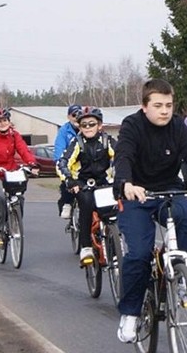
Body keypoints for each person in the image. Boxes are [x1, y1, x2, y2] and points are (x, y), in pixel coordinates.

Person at [113, 78, 187, 344]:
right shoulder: (132, 126)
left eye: (168, 105)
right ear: (144, 106)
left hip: (169, 189)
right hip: (136, 193)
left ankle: (185, 283)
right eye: (158, 105)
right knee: (138, 253)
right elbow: (123, 156)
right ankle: (131, 313)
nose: (164, 111)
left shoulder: (178, 126)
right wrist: (126, 184)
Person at [56, 106, 116, 265]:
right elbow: (62, 163)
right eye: (84, 125)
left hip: (104, 183)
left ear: (100, 125)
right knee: (87, 204)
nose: (88, 128)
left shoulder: (107, 140)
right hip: (83, 184)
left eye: (92, 124)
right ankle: (86, 247)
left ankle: (115, 241)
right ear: (79, 127)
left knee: (114, 209)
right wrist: (70, 180)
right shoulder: (77, 142)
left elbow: (121, 157)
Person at [0, 107, 39, 246]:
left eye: (4, 120)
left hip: (11, 171)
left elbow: (23, 149)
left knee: (19, 196)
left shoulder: (14, 135)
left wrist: (32, 163)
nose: (2, 123)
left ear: (9, 121)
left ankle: (15, 221)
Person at [54, 104, 82, 219]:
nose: (76, 117)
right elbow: (59, 149)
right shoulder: (64, 131)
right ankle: (67, 203)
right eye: (74, 115)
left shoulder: (86, 127)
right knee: (67, 183)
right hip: (70, 164)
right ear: (69, 116)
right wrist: (61, 162)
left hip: (86, 165)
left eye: (79, 114)